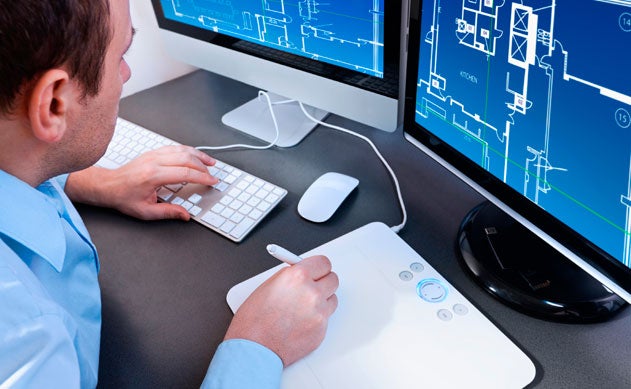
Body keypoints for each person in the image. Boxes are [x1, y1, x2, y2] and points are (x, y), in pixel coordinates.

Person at [0, 1, 339, 387]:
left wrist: (102, 184)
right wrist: (259, 343)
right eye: (121, 56)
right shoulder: (25, 341)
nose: (125, 74)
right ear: (54, 104)